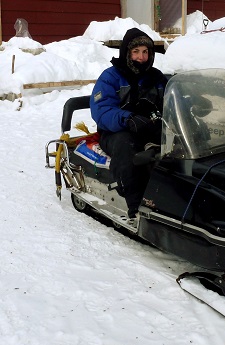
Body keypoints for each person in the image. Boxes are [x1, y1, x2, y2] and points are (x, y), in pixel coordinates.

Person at [90, 27, 167, 220]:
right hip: (116, 131)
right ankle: (135, 205)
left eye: (145, 52)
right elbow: (102, 109)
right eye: (136, 52)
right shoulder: (111, 77)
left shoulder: (157, 78)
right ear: (127, 53)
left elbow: (171, 101)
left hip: (150, 128)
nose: (141, 57)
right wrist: (127, 118)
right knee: (126, 145)